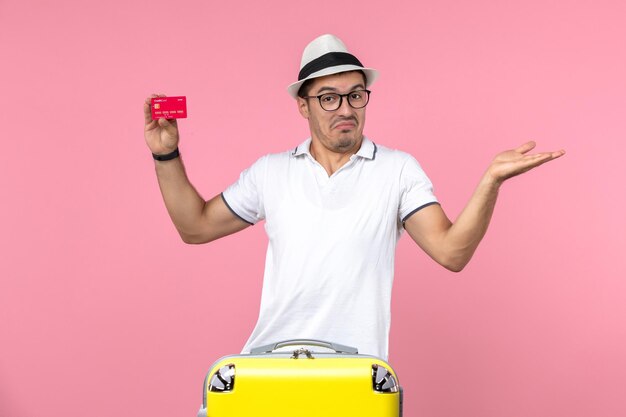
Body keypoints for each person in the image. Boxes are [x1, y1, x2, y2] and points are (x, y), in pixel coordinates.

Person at [143, 34, 564, 361]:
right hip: (271, 364)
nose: (345, 108)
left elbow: (452, 252)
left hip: (357, 372)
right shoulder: (270, 172)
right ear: (303, 107)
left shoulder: (397, 170)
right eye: (328, 97)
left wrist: (490, 181)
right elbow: (195, 227)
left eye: (356, 95)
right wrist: (166, 153)